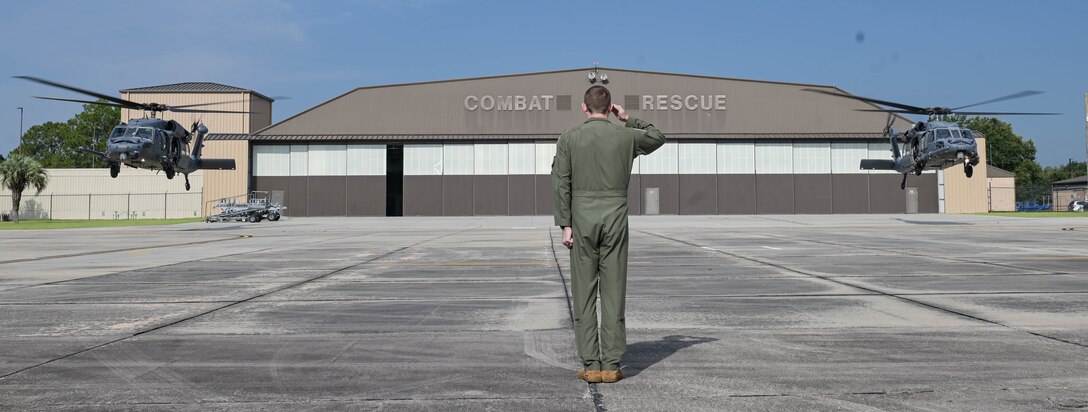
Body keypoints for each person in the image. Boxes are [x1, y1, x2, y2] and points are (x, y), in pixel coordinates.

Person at [553, 85, 666, 383]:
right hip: (616, 218)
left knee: (584, 292)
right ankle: (612, 365)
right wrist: (629, 119)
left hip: (581, 220)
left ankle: (591, 365)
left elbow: (561, 182)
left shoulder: (569, 139)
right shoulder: (625, 135)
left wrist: (565, 224)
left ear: (584, 107)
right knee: (614, 290)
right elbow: (657, 137)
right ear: (610, 106)